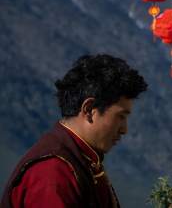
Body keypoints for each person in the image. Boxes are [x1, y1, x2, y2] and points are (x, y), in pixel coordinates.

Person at [1, 54, 148, 207]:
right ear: (89, 109)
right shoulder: (52, 173)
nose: (124, 129)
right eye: (120, 116)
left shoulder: (84, 161)